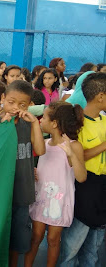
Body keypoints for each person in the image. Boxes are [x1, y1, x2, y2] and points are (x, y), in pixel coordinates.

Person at [0, 80, 46, 267]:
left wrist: (35, 124)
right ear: (3, 98)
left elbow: (40, 149)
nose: (15, 107)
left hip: (22, 191)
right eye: (11, 102)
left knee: (18, 241)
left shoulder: (29, 124)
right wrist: (3, 127)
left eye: (22, 104)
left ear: (29, 105)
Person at [25, 102, 86, 267]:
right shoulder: (44, 144)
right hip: (42, 197)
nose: (40, 121)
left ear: (54, 123)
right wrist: (35, 171)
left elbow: (81, 177)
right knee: (36, 236)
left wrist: (71, 154)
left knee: (53, 239)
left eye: (43, 117)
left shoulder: (74, 146)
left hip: (59, 201)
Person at [58, 73, 106, 267]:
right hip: (85, 187)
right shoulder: (78, 124)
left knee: (94, 247)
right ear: (100, 96)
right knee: (72, 245)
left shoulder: (103, 121)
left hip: (102, 188)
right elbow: (77, 157)